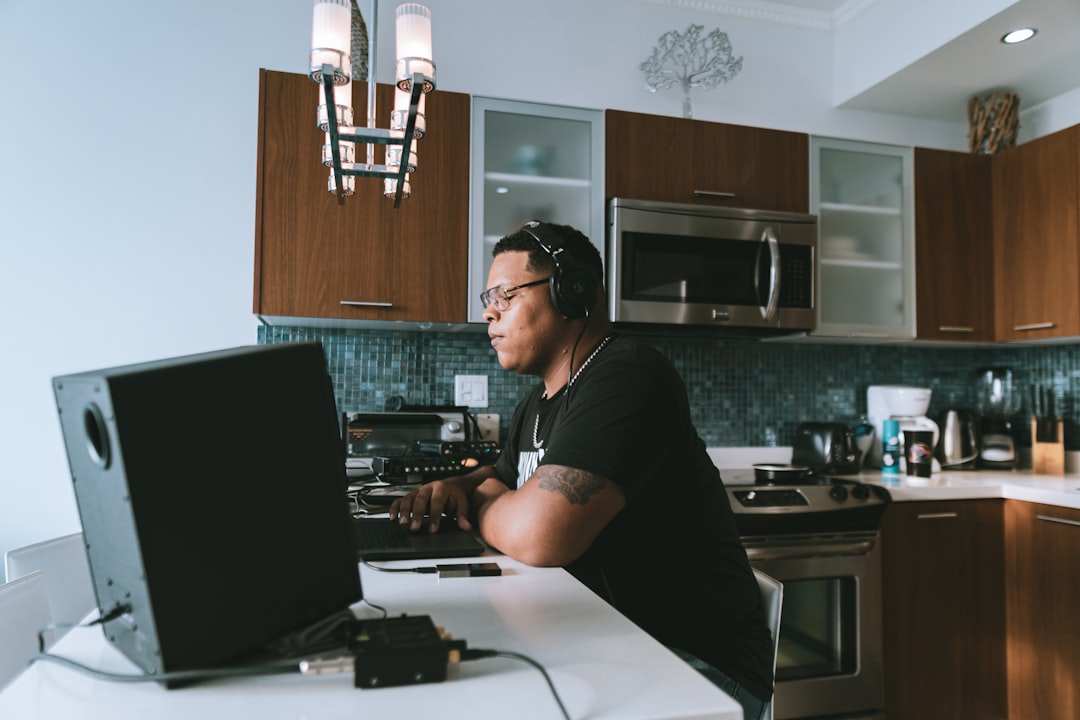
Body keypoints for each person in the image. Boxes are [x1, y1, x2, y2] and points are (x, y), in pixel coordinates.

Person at [389, 220, 773, 718]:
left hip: (697, 669)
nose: (488, 311)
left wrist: (480, 497)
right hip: (610, 640)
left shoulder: (629, 377)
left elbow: (541, 534)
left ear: (571, 293)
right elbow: (501, 476)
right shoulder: (538, 402)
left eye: (505, 294)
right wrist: (454, 485)